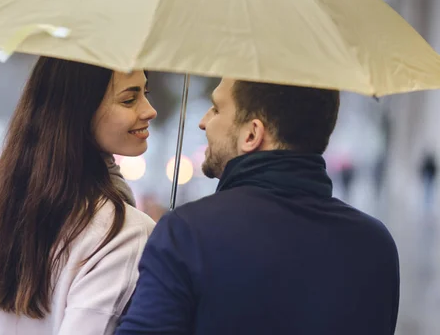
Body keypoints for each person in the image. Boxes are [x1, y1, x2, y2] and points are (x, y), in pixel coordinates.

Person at [117, 79, 400, 335]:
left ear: (252, 134)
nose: (203, 122)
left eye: (216, 109)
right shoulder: (376, 245)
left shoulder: (187, 234)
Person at [0, 57, 157, 335]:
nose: (149, 110)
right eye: (129, 100)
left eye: (145, 94)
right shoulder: (125, 232)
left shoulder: (20, 207)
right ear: (80, 111)